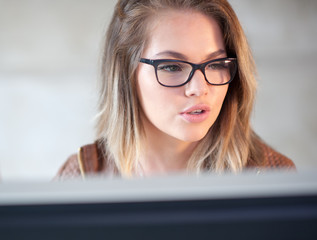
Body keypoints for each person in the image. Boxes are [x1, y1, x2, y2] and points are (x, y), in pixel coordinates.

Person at [56, 0, 295, 180]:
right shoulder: (81, 178)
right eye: (171, 66)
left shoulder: (272, 177)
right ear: (125, 74)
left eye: (215, 64)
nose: (199, 88)